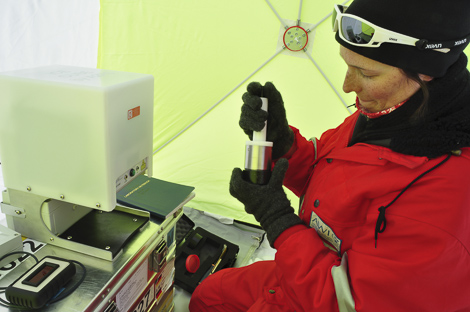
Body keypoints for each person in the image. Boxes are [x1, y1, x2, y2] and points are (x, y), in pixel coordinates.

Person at [189, 0, 470, 310]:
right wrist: (284, 144)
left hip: (323, 291)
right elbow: (333, 173)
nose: (347, 85)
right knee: (209, 296)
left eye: (366, 73)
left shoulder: (445, 194)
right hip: (305, 269)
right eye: (347, 65)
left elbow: (346, 303)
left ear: (426, 72)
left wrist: (277, 220)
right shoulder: (394, 111)